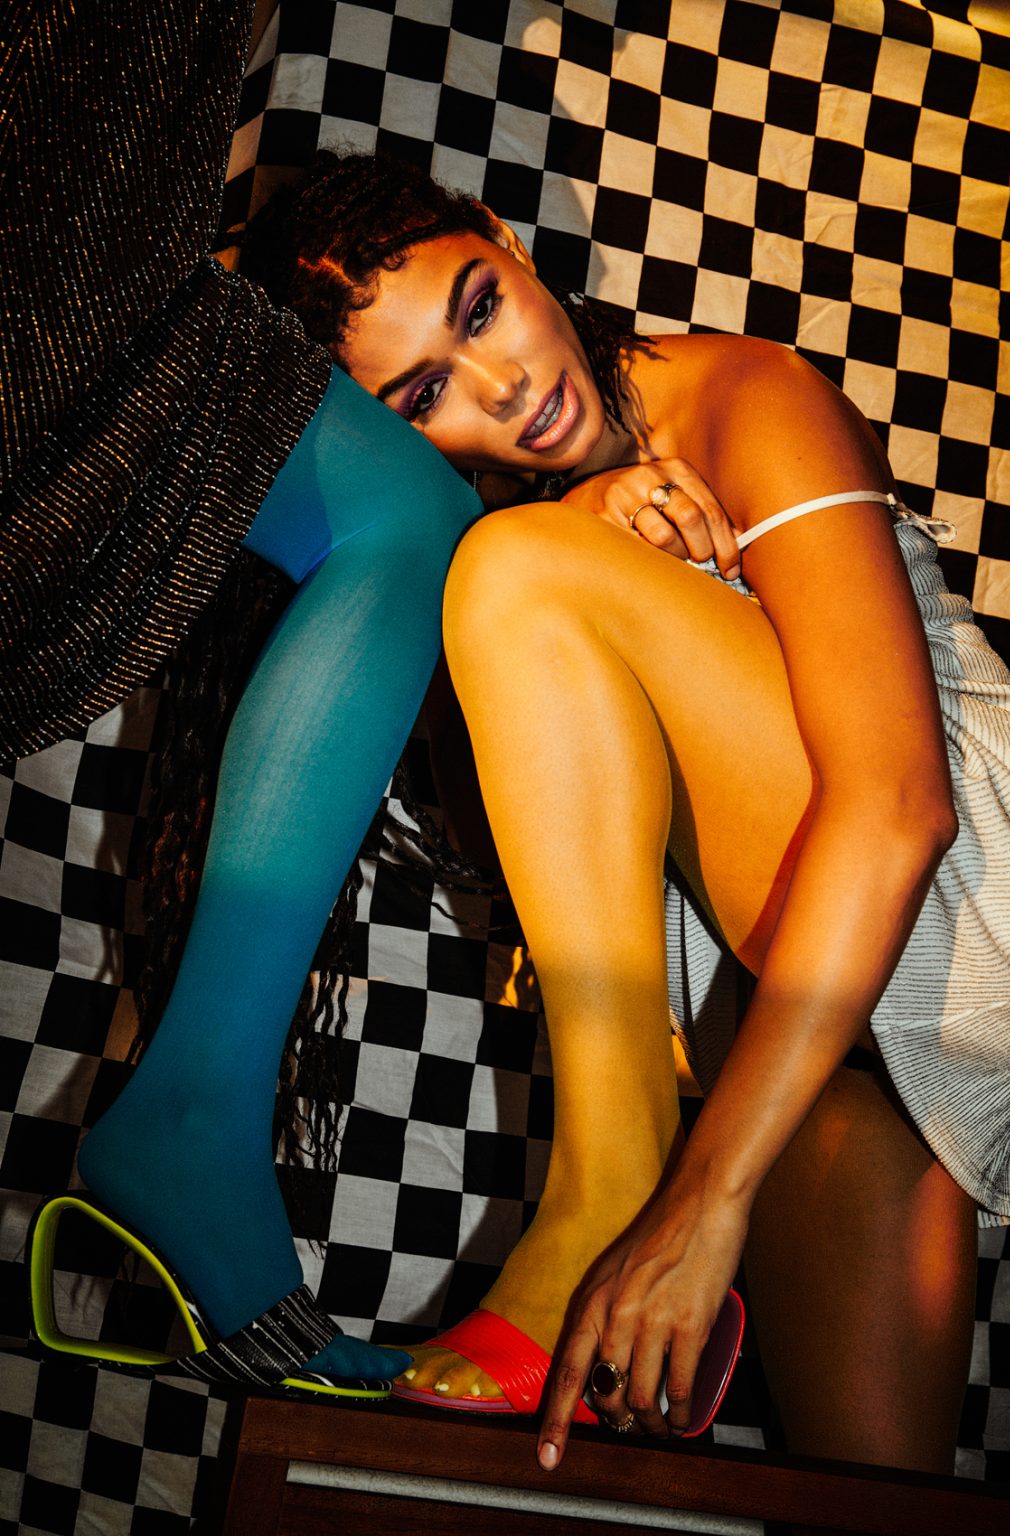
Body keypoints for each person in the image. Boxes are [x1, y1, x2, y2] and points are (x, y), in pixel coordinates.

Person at [245, 147, 1010, 1467]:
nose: (502, 387)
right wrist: (578, 532)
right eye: (426, 393)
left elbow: (900, 807)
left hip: (969, 903)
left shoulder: (742, 398)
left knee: (516, 569)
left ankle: (606, 1194)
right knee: (866, 1505)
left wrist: (697, 1202)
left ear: (507, 241)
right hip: (813, 1045)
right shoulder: (506, 563)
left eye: (479, 307)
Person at [10, 6, 480, 1395]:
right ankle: (198, 1110)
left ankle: (199, 1108)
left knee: (403, 513)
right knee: (403, 514)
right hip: (70, 253)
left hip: (96, 249)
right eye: (422, 382)